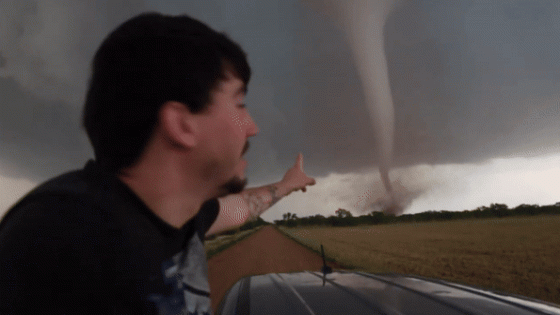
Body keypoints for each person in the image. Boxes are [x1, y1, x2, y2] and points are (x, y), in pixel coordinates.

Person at [0, 12, 315, 314]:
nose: (253, 127)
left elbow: (243, 206)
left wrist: (287, 185)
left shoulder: (184, 218)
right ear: (181, 125)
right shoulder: (62, 238)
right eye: (239, 103)